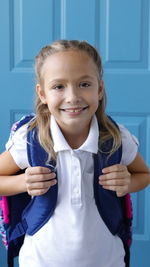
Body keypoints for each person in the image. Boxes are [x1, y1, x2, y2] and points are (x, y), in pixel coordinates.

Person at [0, 40, 149, 267]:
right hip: (39, 260)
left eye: (84, 84)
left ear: (99, 89)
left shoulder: (116, 138)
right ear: (42, 94)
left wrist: (128, 182)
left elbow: (144, 175)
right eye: (59, 86)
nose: (72, 97)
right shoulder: (29, 140)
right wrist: (23, 182)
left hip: (108, 260)